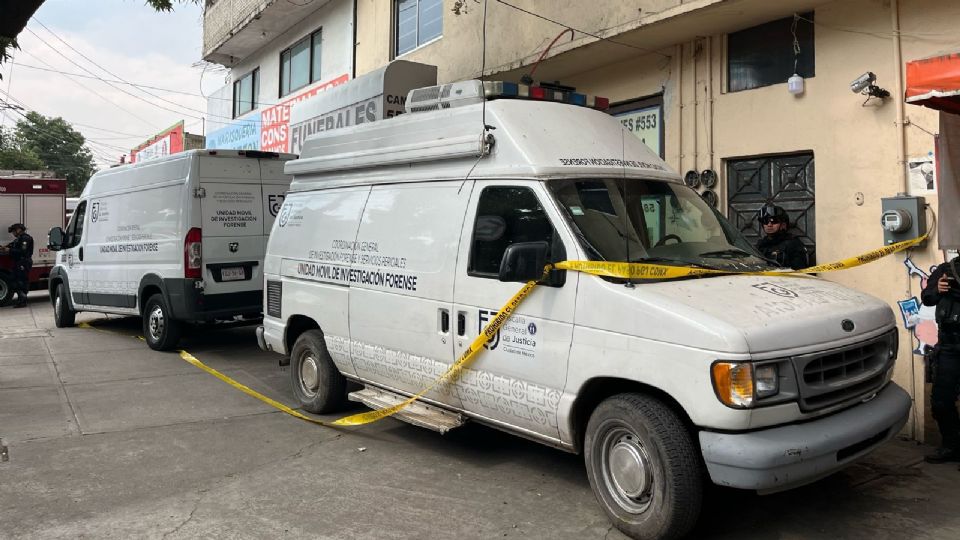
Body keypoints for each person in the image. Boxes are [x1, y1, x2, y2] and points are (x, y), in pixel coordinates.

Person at [921, 255, 960, 464]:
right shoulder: (947, 269)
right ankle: (952, 446)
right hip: (949, 344)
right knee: (940, 400)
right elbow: (927, 297)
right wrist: (938, 288)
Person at [755, 204, 808, 270]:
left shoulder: (793, 244)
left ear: (783, 225)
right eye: (765, 221)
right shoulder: (760, 244)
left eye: (774, 221)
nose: (769, 225)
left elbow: (800, 272)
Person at [1, 223, 34, 308]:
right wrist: (4, 247)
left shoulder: (25, 239)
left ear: (19, 229)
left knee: (21, 281)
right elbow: (11, 245)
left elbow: (23, 251)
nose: (13, 233)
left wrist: (9, 250)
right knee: (14, 280)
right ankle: (21, 300)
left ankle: (22, 301)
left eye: (13, 231)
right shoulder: (18, 239)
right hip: (18, 262)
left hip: (23, 262)